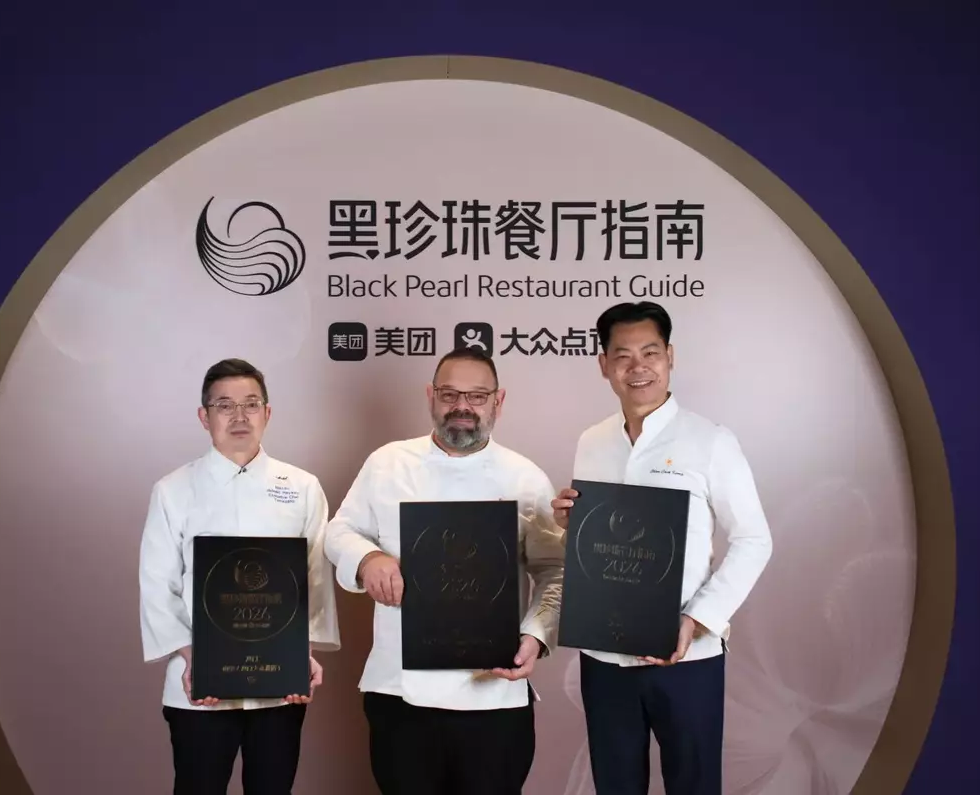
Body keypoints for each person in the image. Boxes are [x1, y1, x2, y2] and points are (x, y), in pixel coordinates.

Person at [552, 302, 773, 795]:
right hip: (604, 655)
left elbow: (754, 539)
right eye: (623, 355)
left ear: (670, 356)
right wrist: (572, 525)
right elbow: (602, 543)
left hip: (687, 655)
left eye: (650, 352)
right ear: (603, 364)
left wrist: (697, 618)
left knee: (693, 785)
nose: (638, 367)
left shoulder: (710, 441)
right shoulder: (592, 441)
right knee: (615, 785)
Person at [324, 347, 565, 795]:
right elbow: (339, 531)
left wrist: (535, 635)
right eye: (450, 394)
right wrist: (368, 559)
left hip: (494, 693)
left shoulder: (525, 478)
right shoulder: (388, 463)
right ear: (431, 396)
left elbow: (555, 571)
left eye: (477, 396)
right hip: (400, 690)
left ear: (498, 401)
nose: (462, 406)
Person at [138, 358, 340, 795]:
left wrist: (300, 653)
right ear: (204, 416)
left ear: (267, 413)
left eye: (251, 404)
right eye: (224, 405)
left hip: (279, 684)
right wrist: (194, 658)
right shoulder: (173, 489)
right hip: (200, 683)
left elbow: (314, 579)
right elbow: (158, 584)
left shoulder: (302, 487)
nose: (239, 416)